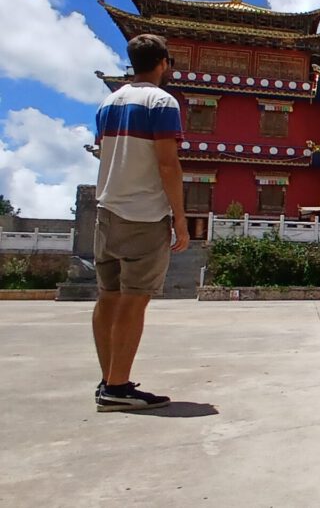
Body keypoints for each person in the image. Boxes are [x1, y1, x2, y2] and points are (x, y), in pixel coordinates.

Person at [92, 34, 189, 412]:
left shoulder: (108, 102)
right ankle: (118, 386)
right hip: (143, 214)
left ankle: (108, 380)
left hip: (106, 211)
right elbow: (167, 163)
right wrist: (179, 218)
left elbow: (105, 153)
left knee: (108, 297)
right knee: (135, 299)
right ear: (163, 62)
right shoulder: (162, 101)